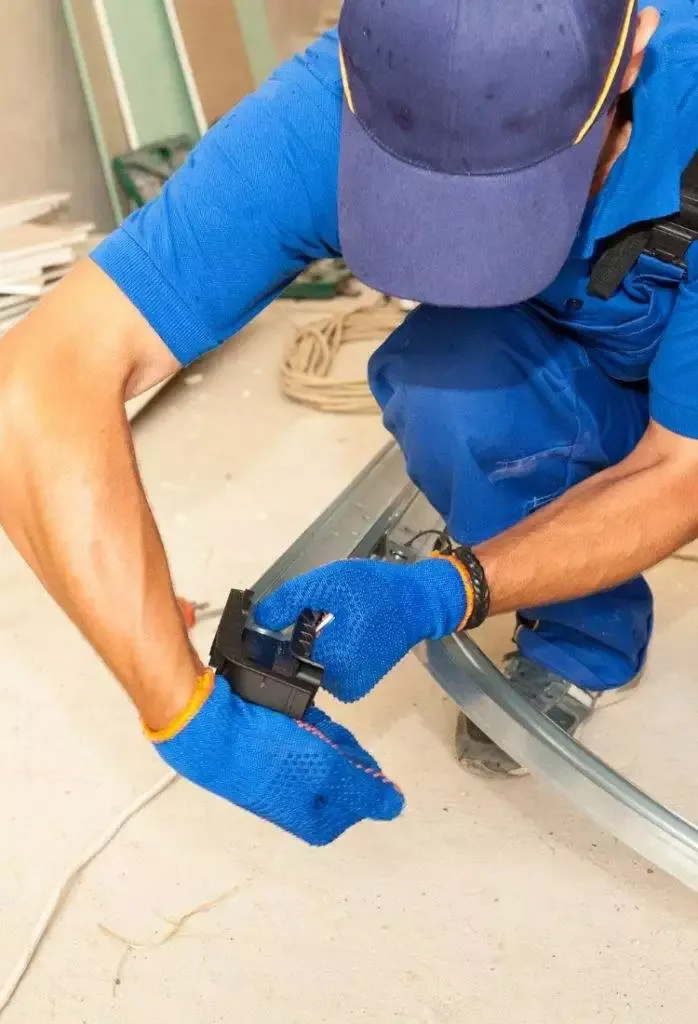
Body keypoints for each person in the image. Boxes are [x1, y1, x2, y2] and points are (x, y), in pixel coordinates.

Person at [1, 0, 696, 844]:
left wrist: (452, 587)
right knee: (448, 384)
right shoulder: (353, 94)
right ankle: (581, 640)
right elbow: (39, 384)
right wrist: (180, 709)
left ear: (630, 54)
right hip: (556, 337)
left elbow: (680, 472)